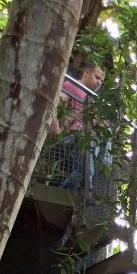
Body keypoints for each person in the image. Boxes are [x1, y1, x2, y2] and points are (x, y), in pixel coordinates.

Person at [47, 60, 105, 190]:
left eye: (101, 81)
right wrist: (54, 124)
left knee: (82, 174)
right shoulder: (72, 85)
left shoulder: (91, 98)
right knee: (85, 173)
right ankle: (81, 196)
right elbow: (56, 103)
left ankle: (69, 194)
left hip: (84, 139)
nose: (99, 83)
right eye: (97, 77)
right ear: (86, 73)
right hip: (73, 136)